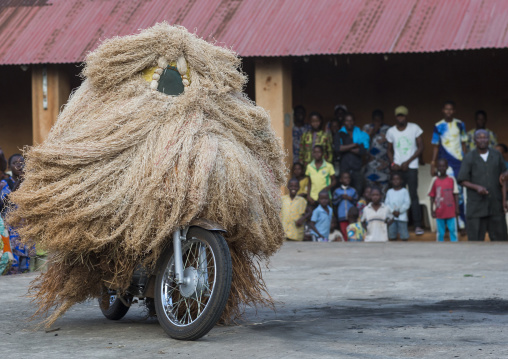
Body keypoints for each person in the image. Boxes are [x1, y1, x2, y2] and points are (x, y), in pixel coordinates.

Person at [458, 130, 508, 241]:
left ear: (489, 139)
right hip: (477, 206)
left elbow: (504, 178)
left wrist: (504, 200)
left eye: (485, 137)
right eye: (479, 138)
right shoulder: (469, 157)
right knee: (475, 240)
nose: (482, 140)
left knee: (501, 240)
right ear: (475, 140)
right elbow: (462, 180)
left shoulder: (496, 155)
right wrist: (477, 187)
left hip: (495, 204)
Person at [386, 105, 424, 235]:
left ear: (406, 116)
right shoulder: (391, 131)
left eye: (402, 115)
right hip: (397, 168)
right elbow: (389, 150)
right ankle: (396, 226)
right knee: (397, 196)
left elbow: (420, 147)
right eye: (398, 115)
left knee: (413, 195)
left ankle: (417, 225)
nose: (400, 118)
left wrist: (407, 162)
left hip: (411, 167)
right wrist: (393, 163)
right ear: (395, 117)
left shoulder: (415, 128)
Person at [1, 154, 33, 273]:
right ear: (9, 167)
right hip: (11, 229)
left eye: (22, 163)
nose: (19, 166)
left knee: (25, 266)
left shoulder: (30, 183)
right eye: (15, 163)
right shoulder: (5, 183)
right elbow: (6, 201)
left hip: (26, 229)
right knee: (12, 266)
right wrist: (19, 181)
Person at [335, 112, 370, 195]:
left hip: (357, 169)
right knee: (344, 192)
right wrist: (353, 145)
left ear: (354, 121)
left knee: (357, 191)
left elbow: (362, 151)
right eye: (347, 121)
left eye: (351, 121)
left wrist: (345, 148)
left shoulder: (361, 134)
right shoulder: (340, 134)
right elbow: (337, 148)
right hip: (344, 168)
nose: (349, 123)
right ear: (344, 122)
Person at [428, 158, 459, 242]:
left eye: (444, 166)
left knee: (453, 231)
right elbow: (432, 196)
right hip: (439, 211)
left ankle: (455, 246)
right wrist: (432, 210)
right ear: (437, 168)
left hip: (451, 211)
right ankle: (440, 247)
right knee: (440, 232)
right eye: (439, 166)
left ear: (447, 167)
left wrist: (457, 208)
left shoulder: (451, 179)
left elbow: (456, 194)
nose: (442, 168)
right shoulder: (434, 180)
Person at [363, 110, 391, 193]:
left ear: (382, 120)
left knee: (383, 190)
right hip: (370, 165)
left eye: (379, 121)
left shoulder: (388, 129)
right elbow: (363, 143)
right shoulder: (366, 128)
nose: (377, 123)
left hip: (383, 165)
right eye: (375, 120)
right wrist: (371, 134)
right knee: (370, 191)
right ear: (372, 120)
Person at [385, 173, 411, 241]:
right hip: (391, 217)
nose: (396, 181)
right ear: (391, 181)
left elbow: (407, 203)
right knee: (392, 235)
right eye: (394, 179)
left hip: (402, 217)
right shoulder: (389, 192)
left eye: (397, 179)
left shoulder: (404, 191)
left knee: (404, 235)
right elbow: (386, 203)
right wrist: (392, 211)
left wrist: (400, 211)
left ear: (401, 181)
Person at [332, 172, 358, 240]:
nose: (347, 179)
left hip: (352, 217)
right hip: (342, 216)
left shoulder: (353, 190)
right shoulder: (337, 191)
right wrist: (341, 197)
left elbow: (356, 203)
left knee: (352, 232)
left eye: (349, 178)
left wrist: (350, 199)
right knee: (344, 232)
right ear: (341, 180)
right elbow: (334, 202)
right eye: (345, 178)